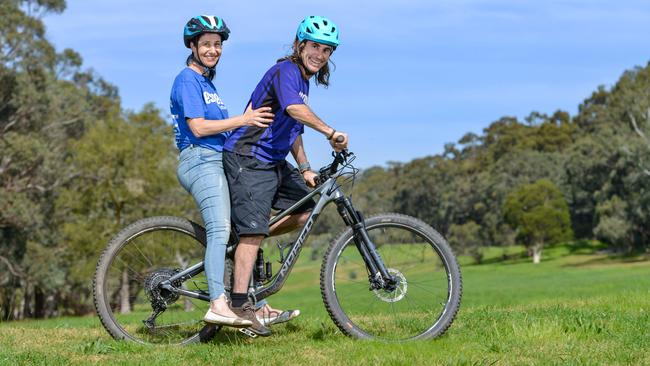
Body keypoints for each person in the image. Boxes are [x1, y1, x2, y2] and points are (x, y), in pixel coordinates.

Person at [223, 15, 349, 337]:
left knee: (306, 210)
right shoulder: (286, 71)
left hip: (274, 162)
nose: (320, 55)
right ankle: (240, 305)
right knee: (252, 232)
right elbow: (295, 111)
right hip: (247, 157)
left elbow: (292, 128)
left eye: (327, 50)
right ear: (300, 45)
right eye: (315, 46)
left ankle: (246, 245)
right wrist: (330, 131)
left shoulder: (303, 81)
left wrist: (305, 168)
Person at [171, 15, 278, 327]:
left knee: (244, 230)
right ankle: (218, 304)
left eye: (217, 45)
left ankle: (248, 306)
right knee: (219, 230)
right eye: (206, 44)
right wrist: (242, 120)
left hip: (217, 159)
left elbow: (223, 131)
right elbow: (200, 127)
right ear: (192, 46)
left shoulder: (207, 84)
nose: (212, 49)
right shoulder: (187, 80)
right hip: (200, 160)